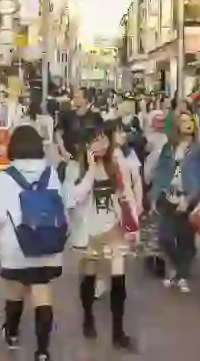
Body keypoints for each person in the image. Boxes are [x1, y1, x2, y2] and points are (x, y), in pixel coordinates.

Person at [0, 125, 66, 361]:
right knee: (42, 294)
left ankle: (11, 335)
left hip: (16, 247)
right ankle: (42, 351)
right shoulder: (51, 174)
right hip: (48, 245)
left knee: (15, 293)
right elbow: (62, 206)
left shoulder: (4, 178)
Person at [63, 123, 139, 350]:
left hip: (112, 229)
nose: (102, 145)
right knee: (89, 276)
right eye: (96, 140)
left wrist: (133, 224)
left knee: (118, 278)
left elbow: (126, 194)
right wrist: (90, 172)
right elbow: (73, 198)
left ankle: (118, 331)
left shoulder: (116, 164)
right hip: (87, 232)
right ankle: (88, 316)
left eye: (104, 139)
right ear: (86, 144)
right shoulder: (75, 168)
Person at [149, 110, 200, 293]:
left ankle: (182, 275)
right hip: (168, 196)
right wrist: (154, 196)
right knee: (165, 238)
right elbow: (160, 172)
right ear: (176, 125)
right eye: (183, 121)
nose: (187, 123)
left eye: (190, 120)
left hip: (188, 198)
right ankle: (178, 268)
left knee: (186, 240)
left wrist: (190, 198)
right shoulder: (169, 147)